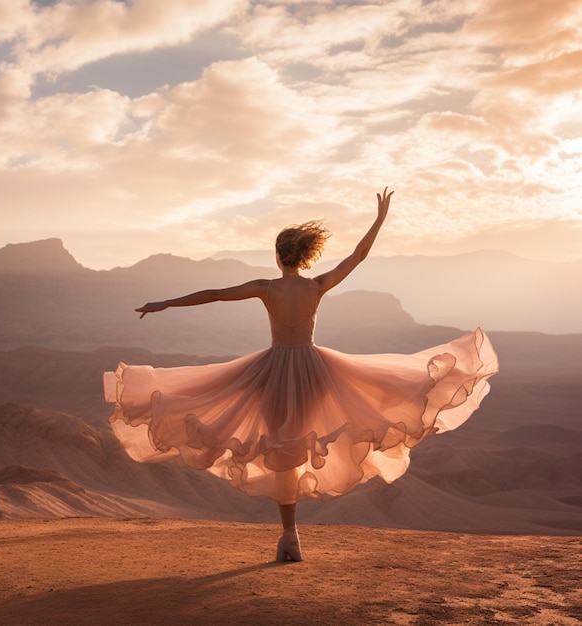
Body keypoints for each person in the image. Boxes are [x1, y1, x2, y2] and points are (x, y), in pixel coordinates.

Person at [103, 188, 498, 562]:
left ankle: (289, 533)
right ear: (305, 255)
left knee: (282, 451)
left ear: (278, 256)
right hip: (313, 373)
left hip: (273, 372)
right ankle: (290, 537)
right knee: (309, 439)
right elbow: (357, 257)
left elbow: (214, 294)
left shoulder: (266, 287)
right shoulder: (318, 285)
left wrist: (164, 304)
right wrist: (379, 219)